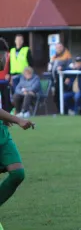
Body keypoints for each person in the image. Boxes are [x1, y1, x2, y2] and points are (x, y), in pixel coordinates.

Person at [0, 37, 35, 214]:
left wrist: (4, 117)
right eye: (3, 56)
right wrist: (18, 119)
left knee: (17, 173)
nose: (6, 60)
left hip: (2, 133)